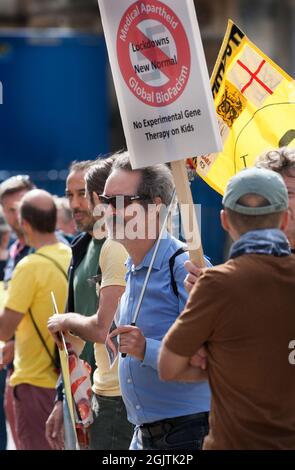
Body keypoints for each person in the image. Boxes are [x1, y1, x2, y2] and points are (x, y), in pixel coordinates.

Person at [159, 167, 295, 450]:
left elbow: (168, 367)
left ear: (224, 220)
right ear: (286, 219)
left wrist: (223, 365)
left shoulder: (215, 285)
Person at [101, 152, 211, 451]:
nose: (108, 211)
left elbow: (214, 356)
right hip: (145, 434)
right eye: (105, 200)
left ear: (155, 208)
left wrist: (144, 348)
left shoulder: (186, 268)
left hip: (191, 431)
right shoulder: (132, 267)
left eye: (120, 201)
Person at [46, 159, 133, 450]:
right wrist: (63, 398)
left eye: (82, 193)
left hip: (117, 395)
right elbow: (71, 344)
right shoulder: (81, 249)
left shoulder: (123, 245)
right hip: (85, 394)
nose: (74, 203)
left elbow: (102, 326)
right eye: (69, 194)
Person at [0, 189, 71, 450]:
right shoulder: (72, 253)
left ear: (25, 224)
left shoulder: (28, 266)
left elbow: (4, 330)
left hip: (34, 381)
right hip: (68, 380)